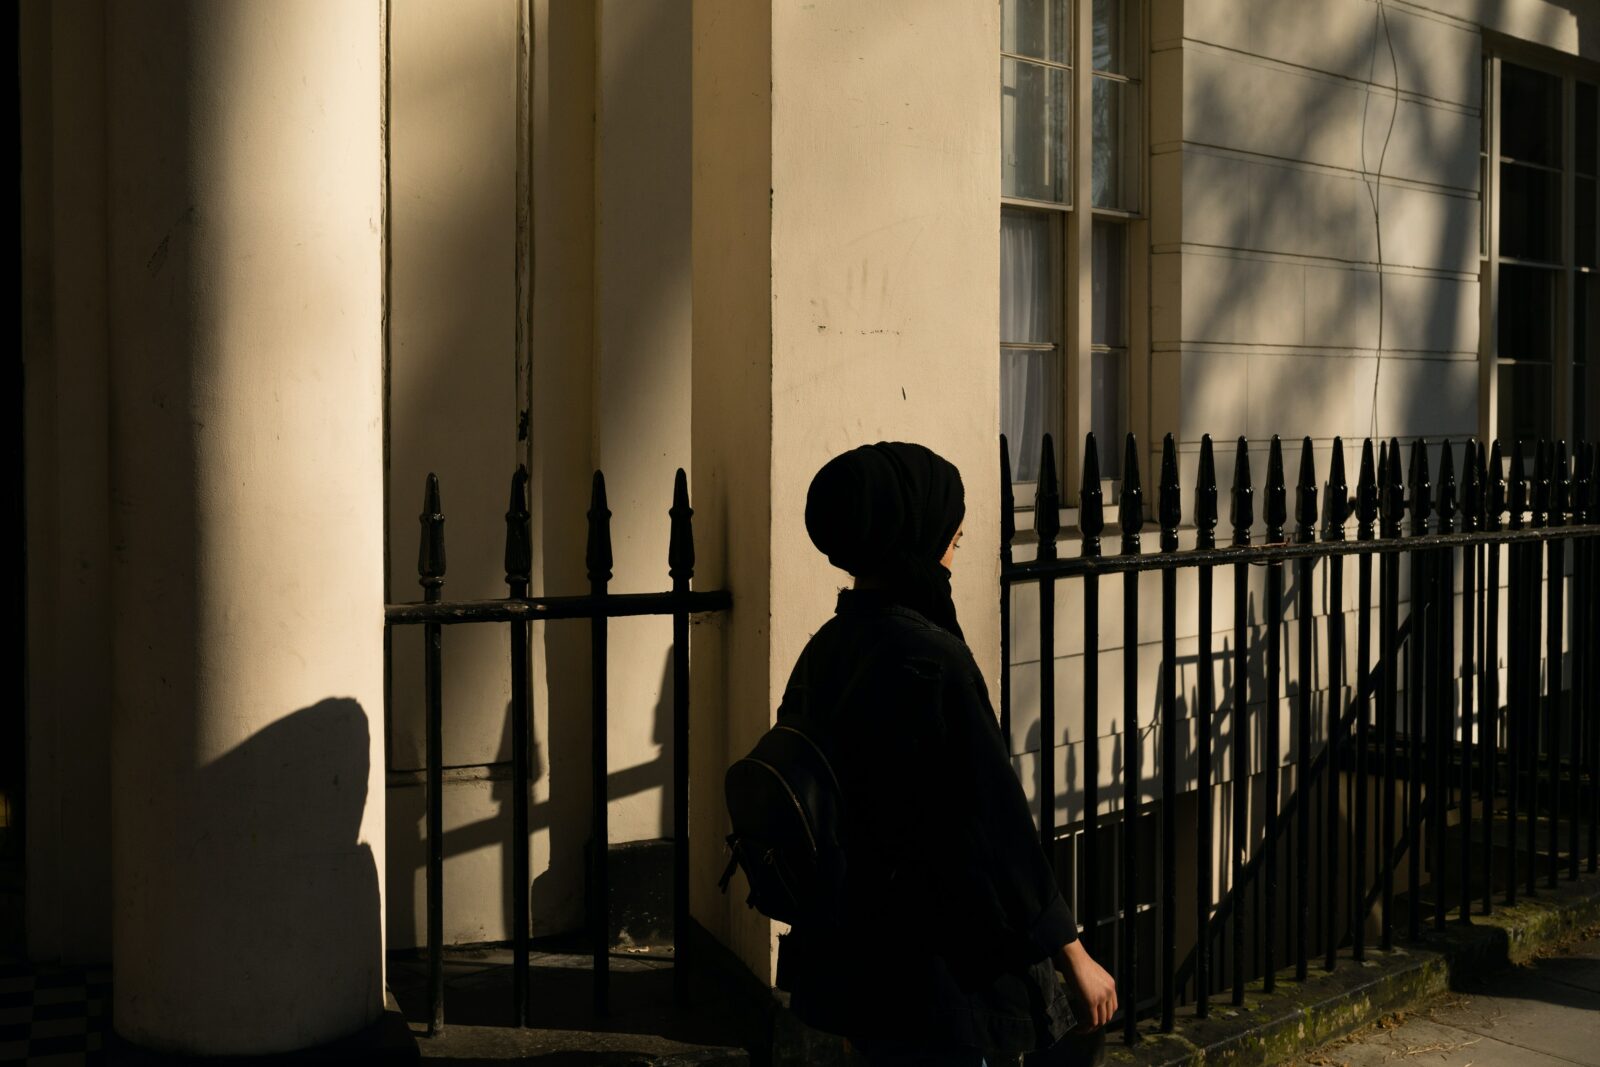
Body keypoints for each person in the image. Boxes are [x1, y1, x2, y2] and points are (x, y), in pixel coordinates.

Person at [776, 441, 1117, 1067]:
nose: (953, 558)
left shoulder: (827, 648)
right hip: (936, 977)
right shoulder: (931, 661)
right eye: (953, 541)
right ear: (917, 535)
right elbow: (996, 828)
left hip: (854, 960)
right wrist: (1074, 955)